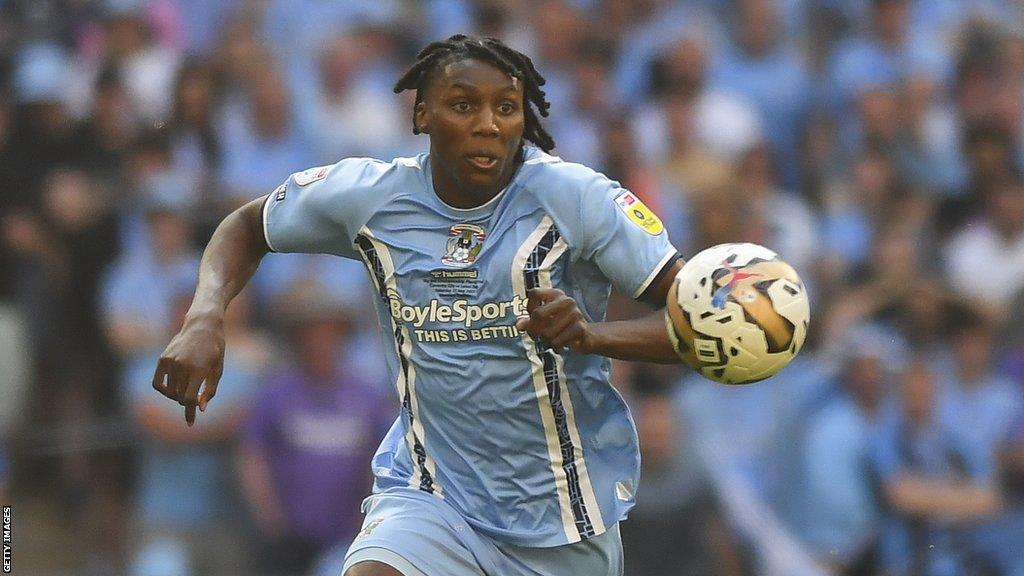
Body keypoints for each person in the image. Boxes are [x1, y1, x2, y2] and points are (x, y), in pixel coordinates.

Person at [152, 34, 686, 576]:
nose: (488, 124)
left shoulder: (578, 198)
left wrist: (593, 338)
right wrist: (204, 315)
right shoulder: (372, 198)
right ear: (423, 114)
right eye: (463, 105)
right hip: (431, 497)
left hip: (562, 523)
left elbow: (695, 319)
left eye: (506, 107)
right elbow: (248, 225)